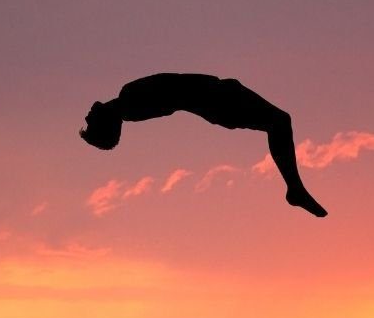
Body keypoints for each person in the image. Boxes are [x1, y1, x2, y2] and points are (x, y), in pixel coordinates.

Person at [80, 73, 328, 217]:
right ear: (105, 122)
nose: (87, 115)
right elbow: (177, 91)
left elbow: (176, 89)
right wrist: (218, 91)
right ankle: (294, 189)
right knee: (279, 122)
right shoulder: (129, 101)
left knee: (279, 122)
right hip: (219, 101)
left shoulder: (129, 102)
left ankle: (294, 188)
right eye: (90, 122)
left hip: (218, 97)